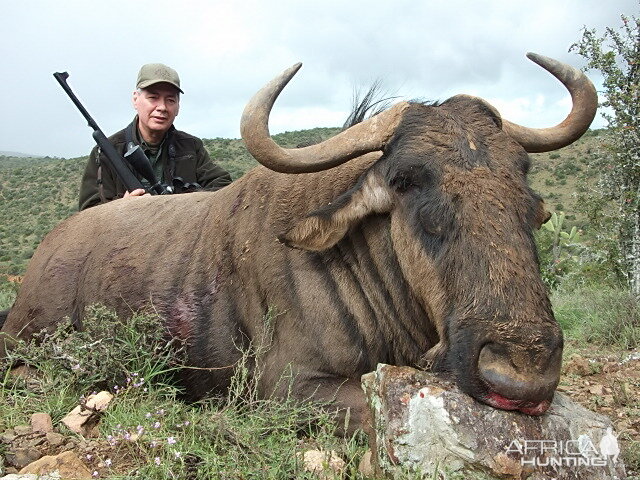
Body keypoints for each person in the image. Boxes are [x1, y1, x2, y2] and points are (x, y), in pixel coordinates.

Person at [78, 63, 232, 211]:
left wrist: (184, 202)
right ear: (135, 99)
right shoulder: (106, 152)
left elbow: (223, 186)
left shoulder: (191, 147)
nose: (162, 107)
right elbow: (88, 213)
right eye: (153, 98)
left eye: (170, 100)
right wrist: (120, 207)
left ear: (178, 107)